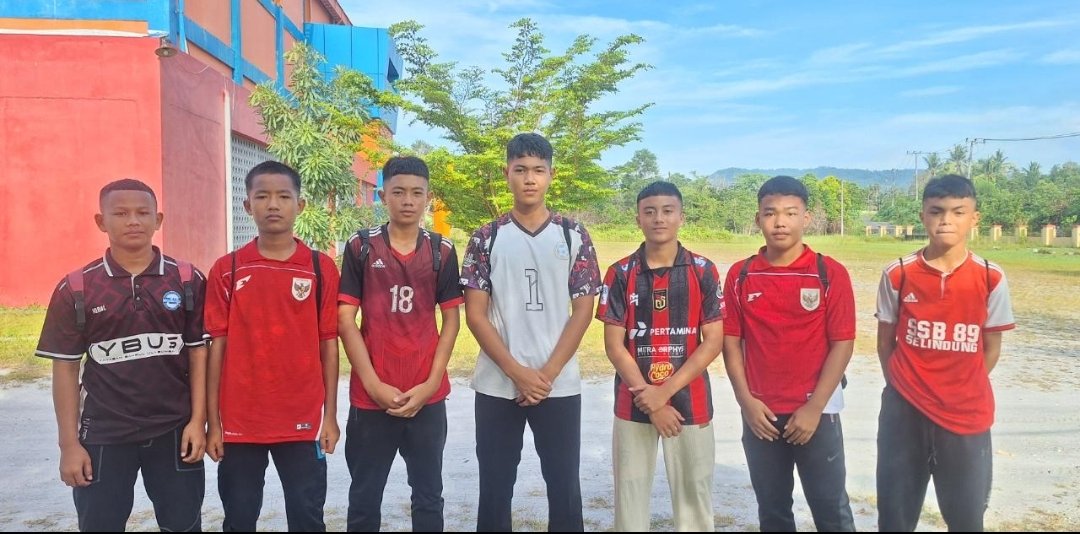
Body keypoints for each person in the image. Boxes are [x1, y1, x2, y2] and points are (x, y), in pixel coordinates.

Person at [35, 179, 207, 532]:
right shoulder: (77, 288)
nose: (133, 221)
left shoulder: (187, 280)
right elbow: (65, 370)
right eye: (121, 213)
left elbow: (199, 355)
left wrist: (198, 421)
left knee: (184, 525)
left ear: (158, 220)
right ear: (101, 222)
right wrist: (69, 445)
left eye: (143, 213)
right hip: (103, 433)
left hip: (174, 430)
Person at [459, 132, 601, 532]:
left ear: (551, 175)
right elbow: (475, 315)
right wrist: (518, 373)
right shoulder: (486, 237)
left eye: (538, 170)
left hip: (558, 384)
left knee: (564, 486)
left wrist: (546, 375)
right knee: (495, 488)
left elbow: (583, 310)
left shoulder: (574, 235)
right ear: (507, 173)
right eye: (520, 169)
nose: (529, 178)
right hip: (497, 384)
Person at [203, 160, 341, 532]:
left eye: (283, 196)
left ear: (300, 205)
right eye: (262, 196)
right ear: (248, 205)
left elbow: (329, 345)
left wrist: (329, 416)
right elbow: (216, 348)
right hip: (240, 421)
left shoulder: (320, 268)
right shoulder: (227, 269)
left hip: (301, 421)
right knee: (239, 517)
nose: (273, 205)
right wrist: (214, 423)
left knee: (307, 517)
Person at [875, 174, 1015, 532]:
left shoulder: (991, 277)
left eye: (958, 212)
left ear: (974, 218)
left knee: (967, 519)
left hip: (966, 414)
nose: (946, 221)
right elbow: (885, 342)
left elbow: (991, 348)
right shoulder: (898, 273)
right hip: (904, 412)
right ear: (922, 215)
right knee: (895, 518)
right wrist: (903, 387)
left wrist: (959, 386)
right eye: (936, 211)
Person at [722, 175, 856, 531]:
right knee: (773, 511)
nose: (780, 222)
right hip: (761, 414)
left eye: (790, 213)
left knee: (831, 509)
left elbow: (843, 343)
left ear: (806, 218)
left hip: (817, 413)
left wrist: (814, 408)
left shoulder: (828, 273)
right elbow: (731, 342)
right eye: (770, 213)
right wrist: (746, 402)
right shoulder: (741, 274)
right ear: (758, 219)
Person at [338, 155, 463, 532]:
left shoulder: (441, 251)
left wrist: (430, 384)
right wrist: (373, 384)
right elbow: (345, 319)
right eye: (398, 192)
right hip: (371, 397)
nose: (408, 200)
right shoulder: (361, 247)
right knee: (364, 496)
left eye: (416, 193)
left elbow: (451, 320)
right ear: (383, 195)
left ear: (428, 198)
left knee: (428, 495)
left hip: (426, 395)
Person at [595, 181, 724, 531]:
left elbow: (712, 341)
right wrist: (651, 401)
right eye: (649, 212)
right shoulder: (620, 273)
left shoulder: (703, 270)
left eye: (667, 211)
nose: (659, 219)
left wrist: (663, 394)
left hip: (690, 400)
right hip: (634, 399)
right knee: (630, 496)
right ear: (638, 218)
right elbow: (614, 346)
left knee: (694, 497)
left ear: (681, 216)